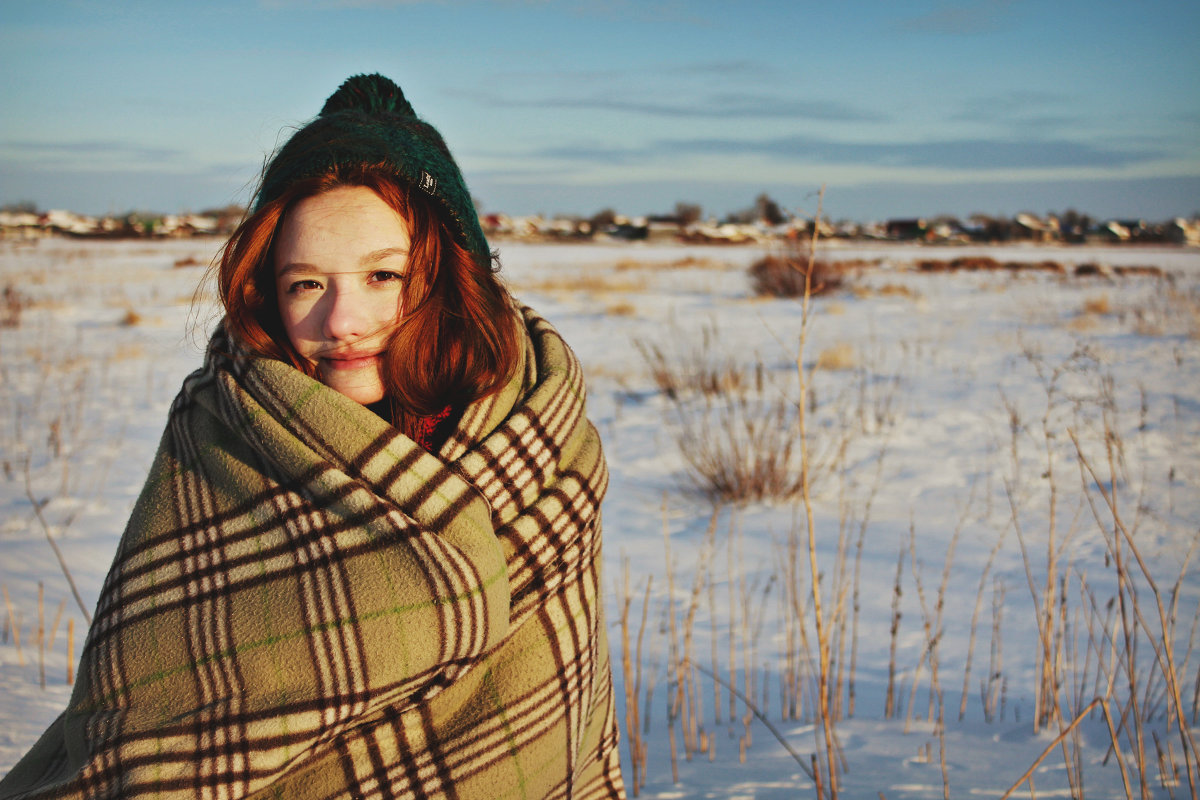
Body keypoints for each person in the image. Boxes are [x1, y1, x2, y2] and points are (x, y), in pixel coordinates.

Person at [0, 74, 626, 800]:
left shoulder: (545, 444)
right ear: (266, 288)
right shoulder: (224, 431)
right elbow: (143, 724)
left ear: (451, 279)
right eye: (306, 284)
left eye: (383, 276)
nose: (340, 321)